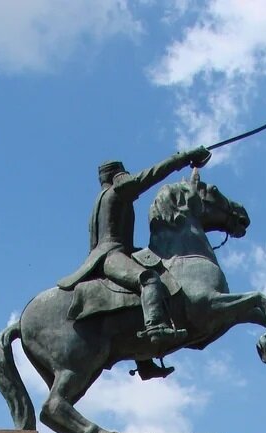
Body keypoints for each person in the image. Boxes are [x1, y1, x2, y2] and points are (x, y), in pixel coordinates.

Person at [58, 146, 211, 379]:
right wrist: (184, 158)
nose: (127, 176)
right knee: (149, 279)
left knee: (154, 274)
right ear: (117, 176)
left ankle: (145, 362)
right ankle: (156, 329)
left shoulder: (100, 200)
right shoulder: (118, 191)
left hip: (112, 253)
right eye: (123, 173)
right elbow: (149, 176)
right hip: (112, 255)